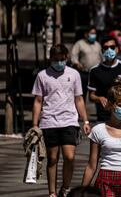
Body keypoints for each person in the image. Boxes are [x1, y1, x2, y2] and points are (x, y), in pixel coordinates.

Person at [31, 44, 91, 197]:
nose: (59, 62)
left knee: (69, 157)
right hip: (49, 121)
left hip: (69, 121)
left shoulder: (74, 74)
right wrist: (34, 125)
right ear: (50, 59)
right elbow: (38, 101)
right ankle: (52, 192)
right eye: (56, 59)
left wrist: (85, 121)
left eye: (62, 59)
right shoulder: (42, 76)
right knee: (52, 158)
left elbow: (79, 99)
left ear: (67, 58)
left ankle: (65, 188)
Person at [88, 35, 121, 122]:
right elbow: (91, 96)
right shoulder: (95, 70)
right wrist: (99, 98)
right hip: (104, 116)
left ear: (117, 49)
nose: (109, 50)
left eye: (112, 47)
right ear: (102, 51)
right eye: (106, 48)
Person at [70, 26, 102, 99]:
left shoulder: (97, 45)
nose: (93, 35)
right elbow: (74, 55)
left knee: (97, 96)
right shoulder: (79, 44)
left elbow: (102, 57)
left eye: (94, 33)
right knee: (82, 95)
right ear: (86, 34)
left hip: (96, 74)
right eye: (92, 33)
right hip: (84, 74)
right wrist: (76, 63)